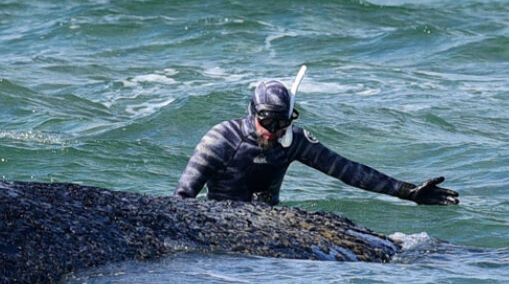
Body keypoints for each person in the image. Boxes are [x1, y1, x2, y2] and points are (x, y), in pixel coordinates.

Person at [175, 78, 459, 206]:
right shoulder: (221, 139)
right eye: (266, 122)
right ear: (251, 113)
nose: (273, 132)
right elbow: (183, 197)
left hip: (270, 221)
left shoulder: (293, 141)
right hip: (222, 219)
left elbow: (348, 170)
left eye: (282, 123)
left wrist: (407, 192)